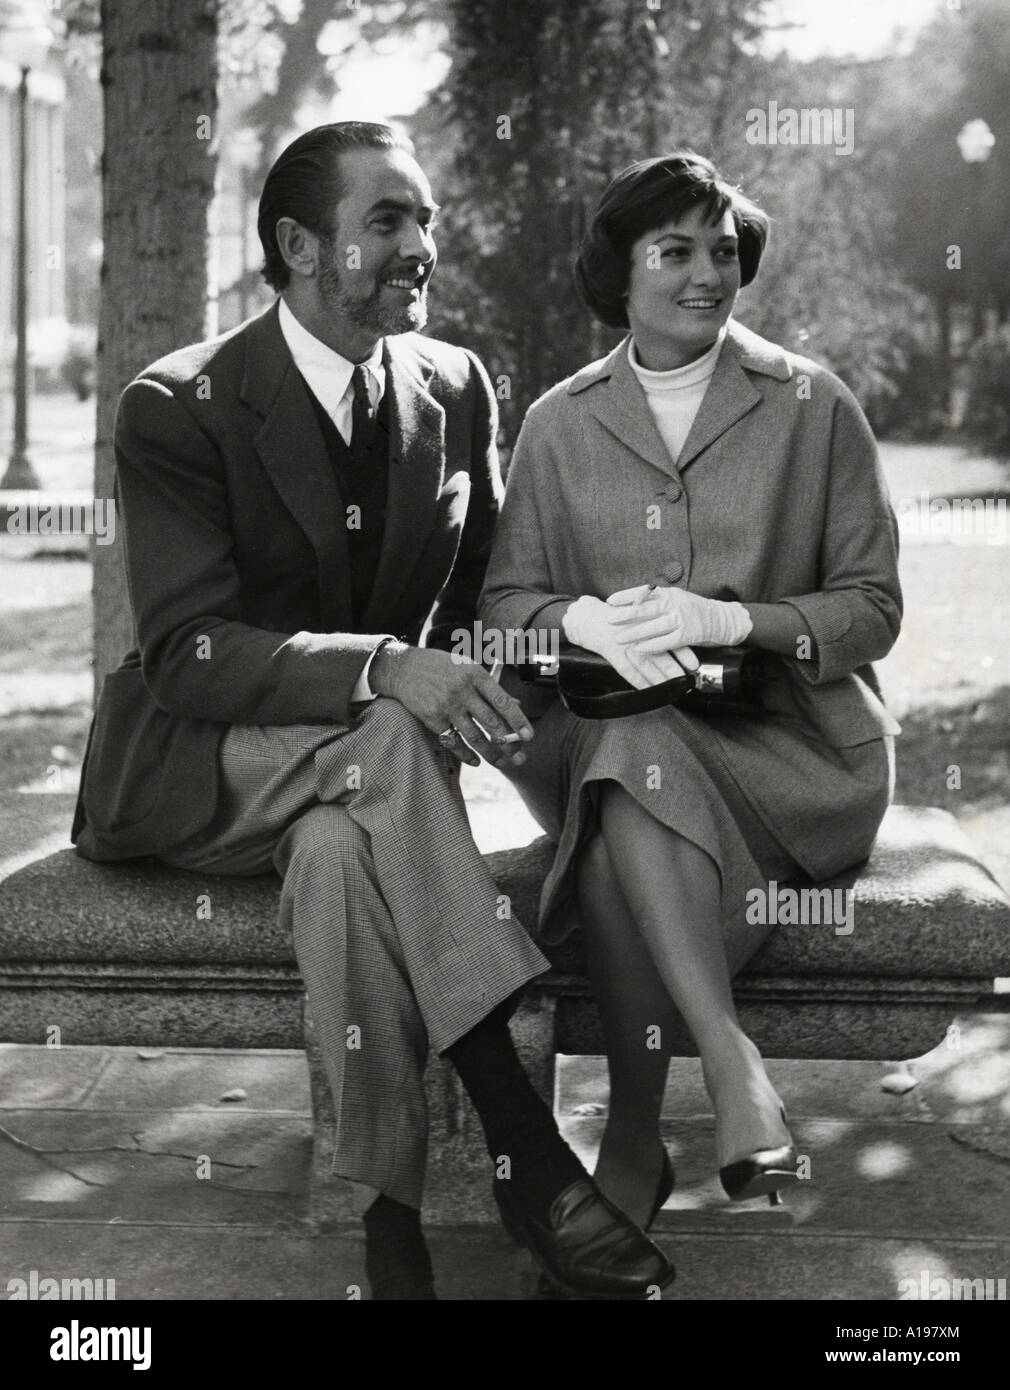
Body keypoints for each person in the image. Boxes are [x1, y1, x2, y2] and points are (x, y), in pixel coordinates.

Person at [71, 122, 673, 1301]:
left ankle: (388, 1229)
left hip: (362, 798)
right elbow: (189, 651)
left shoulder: (451, 386)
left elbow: (491, 596)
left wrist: (592, 648)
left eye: (426, 221)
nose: (420, 247)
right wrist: (388, 667)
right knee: (390, 732)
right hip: (205, 770)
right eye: (388, 221)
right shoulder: (178, 404)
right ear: (300, 246)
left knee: (346, 858)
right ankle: (524, 1148)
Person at [479, 151, 902, 1229]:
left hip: (794, 755)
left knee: (622, 799)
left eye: (721, 249)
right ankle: (729, 1067)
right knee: (627, 750)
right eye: (673, 250)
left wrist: (741, 621)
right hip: (619, 736)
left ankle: (631, 1141)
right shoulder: (559, 423)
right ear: (617, 272)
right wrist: (574, 621)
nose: (706, 272)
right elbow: (502, 610)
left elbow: (871, 608)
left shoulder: (813, 403)